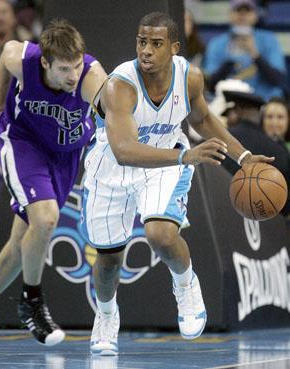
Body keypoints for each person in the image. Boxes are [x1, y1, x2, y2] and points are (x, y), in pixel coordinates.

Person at [81, 12, 274, 356]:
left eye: (156, 44)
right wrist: (186, 158)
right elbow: (124, 152)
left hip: (164, 163)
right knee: (108, 261)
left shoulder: (190, 78)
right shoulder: (119, 85)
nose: (147, 50)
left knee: (160, 234)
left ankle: (185, 285)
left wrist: (243, 157)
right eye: (142, 42)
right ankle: (107, 315)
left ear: (173, 48)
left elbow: (202, 118)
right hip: (113, 168)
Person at [0, 18, 107, 346]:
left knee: (20, 244)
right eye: (65, 69)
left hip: (65, 155)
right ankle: (33, 301)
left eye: (76, 67)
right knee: (46, 219)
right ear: (45, 62)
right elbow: (4, 55)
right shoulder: (23, 61)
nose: (73, 76)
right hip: (23, 142)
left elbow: (109, 104)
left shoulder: (91, 77)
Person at [203, 0, 287, 101]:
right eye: (238, 10)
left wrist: (256, 55)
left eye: (247, 11)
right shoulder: (217, 43)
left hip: (263, 101)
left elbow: (278, 80)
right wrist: (229, 62)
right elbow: (210, 84)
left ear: (255, 15)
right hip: (227, 104)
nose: (242, 15)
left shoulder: (269, 39)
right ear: (230, 14)